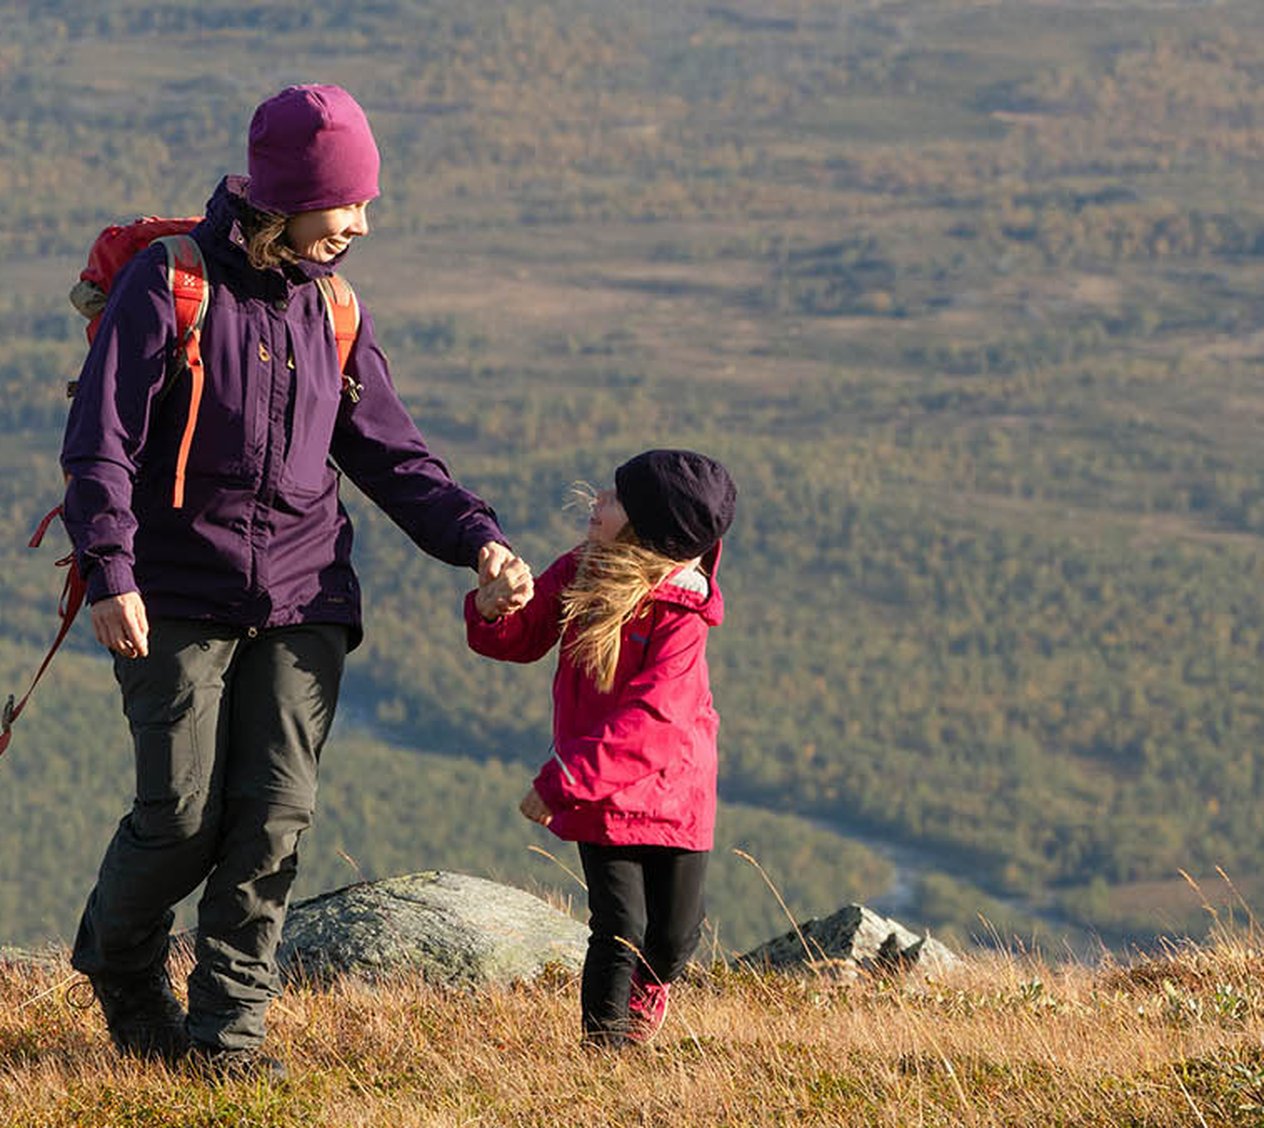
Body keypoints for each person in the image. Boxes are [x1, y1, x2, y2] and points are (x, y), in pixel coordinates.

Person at [61, 83, 529, 1078]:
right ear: (284, 195)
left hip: (306, 599)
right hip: (172, 592)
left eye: (367, 207)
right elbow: (99, 442)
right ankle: (120, 960)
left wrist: (477, 540)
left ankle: (228, 1044)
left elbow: (395, 457)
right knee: (182, 821)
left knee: (272, 820)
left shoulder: (336, 309)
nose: (357, 227)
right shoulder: (171, 283)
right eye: (344, 205)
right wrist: (109, 569)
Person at [466, 449, 736, 1047]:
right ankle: (604, 1055)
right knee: (619, 928)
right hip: (600, 795)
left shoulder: (681, 617)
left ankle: (647, 991)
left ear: (647, 527)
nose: (597, 501)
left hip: (673, 795)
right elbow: (524, 635)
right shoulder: (580, 570)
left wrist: (561, 779)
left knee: (673, 938)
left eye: (614, 499)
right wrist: (492, 609)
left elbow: (655, 720)